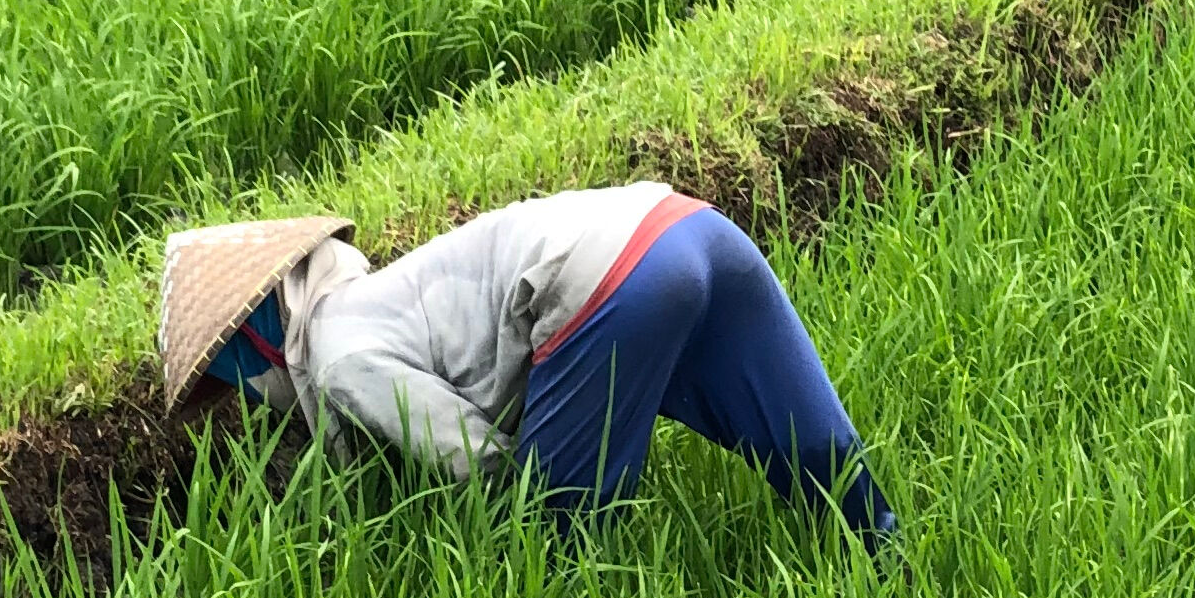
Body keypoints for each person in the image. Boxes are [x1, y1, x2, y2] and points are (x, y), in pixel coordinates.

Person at [159, 187, 894, 543]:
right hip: (689, 225)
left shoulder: (338, 352)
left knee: (560, 542)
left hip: (607, 282)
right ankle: (891, 570)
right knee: (818, 455)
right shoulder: (379, 297)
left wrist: (478, 542)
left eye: (240, 387)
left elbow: (473, 455)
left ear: (260, 345)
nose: (256, 400)